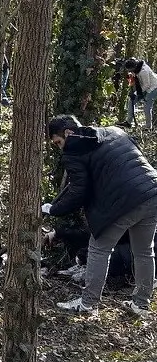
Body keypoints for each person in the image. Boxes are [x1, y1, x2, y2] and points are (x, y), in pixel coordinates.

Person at [44, 115, 157, 317]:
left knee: (98, 249)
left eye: (59, 142)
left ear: (68, 133)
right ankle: (141, 304)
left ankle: (88, 304)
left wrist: (53, 210)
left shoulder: (73, 150)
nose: (60, 147)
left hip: (124, 202)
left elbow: (79, 192)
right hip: (152, 193)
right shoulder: (114, 131)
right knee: (143, 251)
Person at [126, 59, 157, 129]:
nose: (130, 71)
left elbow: (147, 85)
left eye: (131, 70)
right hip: (145, 87)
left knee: (147, 107)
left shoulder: (143, 71)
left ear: (134, 67)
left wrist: (135, 93)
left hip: (154, 87)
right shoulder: (136, 67)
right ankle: (128, 122)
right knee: (131, 100)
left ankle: (148, 126)